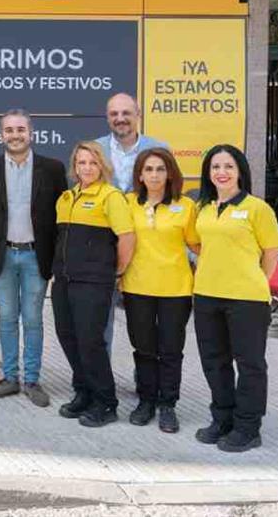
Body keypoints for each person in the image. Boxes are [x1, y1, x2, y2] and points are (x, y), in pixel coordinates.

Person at [191, 144, 278, 452]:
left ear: (240, 170)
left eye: (228, 166)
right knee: (214, 362)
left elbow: (272, 252)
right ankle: (223, 419)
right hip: (206, 296)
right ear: (208, 173)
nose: (222, 172)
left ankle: (248, 427)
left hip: (247, 299)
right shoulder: (202, 207)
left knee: (250, 363)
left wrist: (256, 280)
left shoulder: (257, 208)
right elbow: (200, 245)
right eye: (215, 167)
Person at [0, 109, 67, 407]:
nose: (15, 135)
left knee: (32, 319)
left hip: (34, 255)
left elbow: (59, 216)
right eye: (9, 130)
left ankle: (31, 380)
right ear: (1, 135)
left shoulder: (52, 169)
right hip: (3, 254)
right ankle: (9, 377)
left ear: (31, 133)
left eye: (20, 130)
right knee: (6, 319)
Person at [52, 141, 135, 428]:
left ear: (102, 166)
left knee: (91, 341)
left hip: (94, 281)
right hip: (64, 280)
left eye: (92, 162)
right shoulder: (66, 197)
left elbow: (126, 238)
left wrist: (117, 272)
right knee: (68, 337)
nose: (86, 168)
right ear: (74, 166)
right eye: (81, 163)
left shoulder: (111, 197)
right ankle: (84, 392)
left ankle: (106, 402)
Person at [120, 148, 198, 433]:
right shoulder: (128, 203)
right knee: (143, 348)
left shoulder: (186, 206)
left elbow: (197, 245)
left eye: (160, 169)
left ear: (170, 174)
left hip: (175, 290)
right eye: (149, 169)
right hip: (137, 286)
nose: (154, 174)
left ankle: (168, 405)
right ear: (140, 174)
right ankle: (145, 401)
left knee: (171, 350)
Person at [96, 93, 168, 351]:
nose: (120, 119)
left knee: (145, 321)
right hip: (104, 247)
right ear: (107, 118)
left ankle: (146, 383)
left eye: (126, 113)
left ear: (138, 115)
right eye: (114, 114)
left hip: (147, 246)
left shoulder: (159, 150)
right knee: (100, 320)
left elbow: (168, 198)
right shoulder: (95, 150)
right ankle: (99, 383)